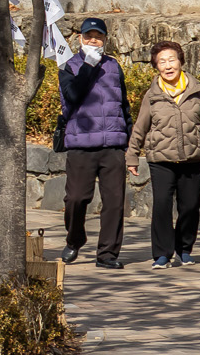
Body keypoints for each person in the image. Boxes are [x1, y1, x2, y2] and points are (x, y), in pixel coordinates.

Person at [129, 38, 200, 269]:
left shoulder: (196, 92)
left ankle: (184, 249)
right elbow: (140, 127)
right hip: (161, 160)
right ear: (156, 67)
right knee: (162, 205)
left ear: (181, 62)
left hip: (192, 159)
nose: (167, 65)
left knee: (191, 206)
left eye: (171, 60)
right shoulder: (151, 96)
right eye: (161, 62)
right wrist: (132, 156)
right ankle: (162, 254)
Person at [58, 18, 130, 269]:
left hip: (112, 145)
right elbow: (73, 96)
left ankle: (107, 254)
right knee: (76, 199)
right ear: (80, 38)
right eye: (88, 35)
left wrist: (128, 142)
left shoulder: (114, 66)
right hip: (80, 145)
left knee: (114, 202)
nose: (93, 40)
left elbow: (124, 106)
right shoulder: (69, 66)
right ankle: (74, 239)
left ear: (105, 40)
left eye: (98, 36)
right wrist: (88, 65)